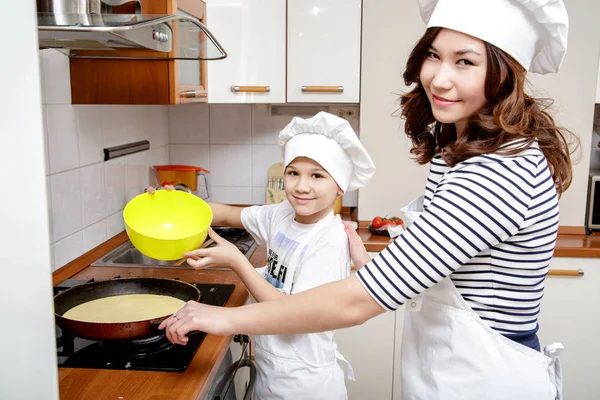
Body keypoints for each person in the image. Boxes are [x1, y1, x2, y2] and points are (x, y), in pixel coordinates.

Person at [160, 0, 576, 398]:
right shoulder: (460, 154)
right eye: (434, 55)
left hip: (486, 383)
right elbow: (452, 271)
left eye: (465, 61)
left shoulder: (497, 173)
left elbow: (358, 303)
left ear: (504, 74)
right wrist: (376, 263)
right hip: (453, 370)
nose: (439, 78)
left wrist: (224, 317)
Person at [159, 111, 376, 400]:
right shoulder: (283, 214)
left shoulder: (330, 241)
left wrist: (238, 261)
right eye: (293, 173)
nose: (301, 186)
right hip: (272, 374)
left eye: (317, 176)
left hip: (306, 385)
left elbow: (290, 313)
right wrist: (177, 202)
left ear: (340, 186)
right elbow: (227, 213)